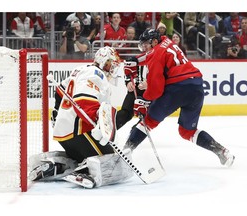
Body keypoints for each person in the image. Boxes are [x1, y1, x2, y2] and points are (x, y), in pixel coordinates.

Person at [123, 29, 235, 168]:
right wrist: (136, 60)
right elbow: (155, 54)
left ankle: (125, 152)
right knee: (187, 131)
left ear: (155, 41)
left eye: (146, 44)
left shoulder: (156, 55)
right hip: (196, 86)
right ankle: (222, 152)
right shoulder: (167, 41)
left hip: (177, 88)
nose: (144, 48)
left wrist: (145, 100)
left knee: (149, 121)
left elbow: (156, 88)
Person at [29, 46, 133, 188]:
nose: (112, 68)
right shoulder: (97, 74)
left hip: (64, 133)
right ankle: (84, 172)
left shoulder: (81, 69)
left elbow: (60, 90)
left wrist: (56, 112)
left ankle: (55, 166)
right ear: (102, 62)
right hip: (79, 130)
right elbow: (84, 99)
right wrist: (97, 123)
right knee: (110, 162)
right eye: (110, 64)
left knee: (81, 158)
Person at [116, 29, 152, 129]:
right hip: (137, 90)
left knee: (146, 119)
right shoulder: (139, 58)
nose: (144, 47)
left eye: (146, 44)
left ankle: (132, 140)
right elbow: (128, 72)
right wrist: (128, 83)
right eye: (143, 44)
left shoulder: (160, 58)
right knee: (125, 113)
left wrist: (149, 83)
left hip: (153, 92)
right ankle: (109, 132)